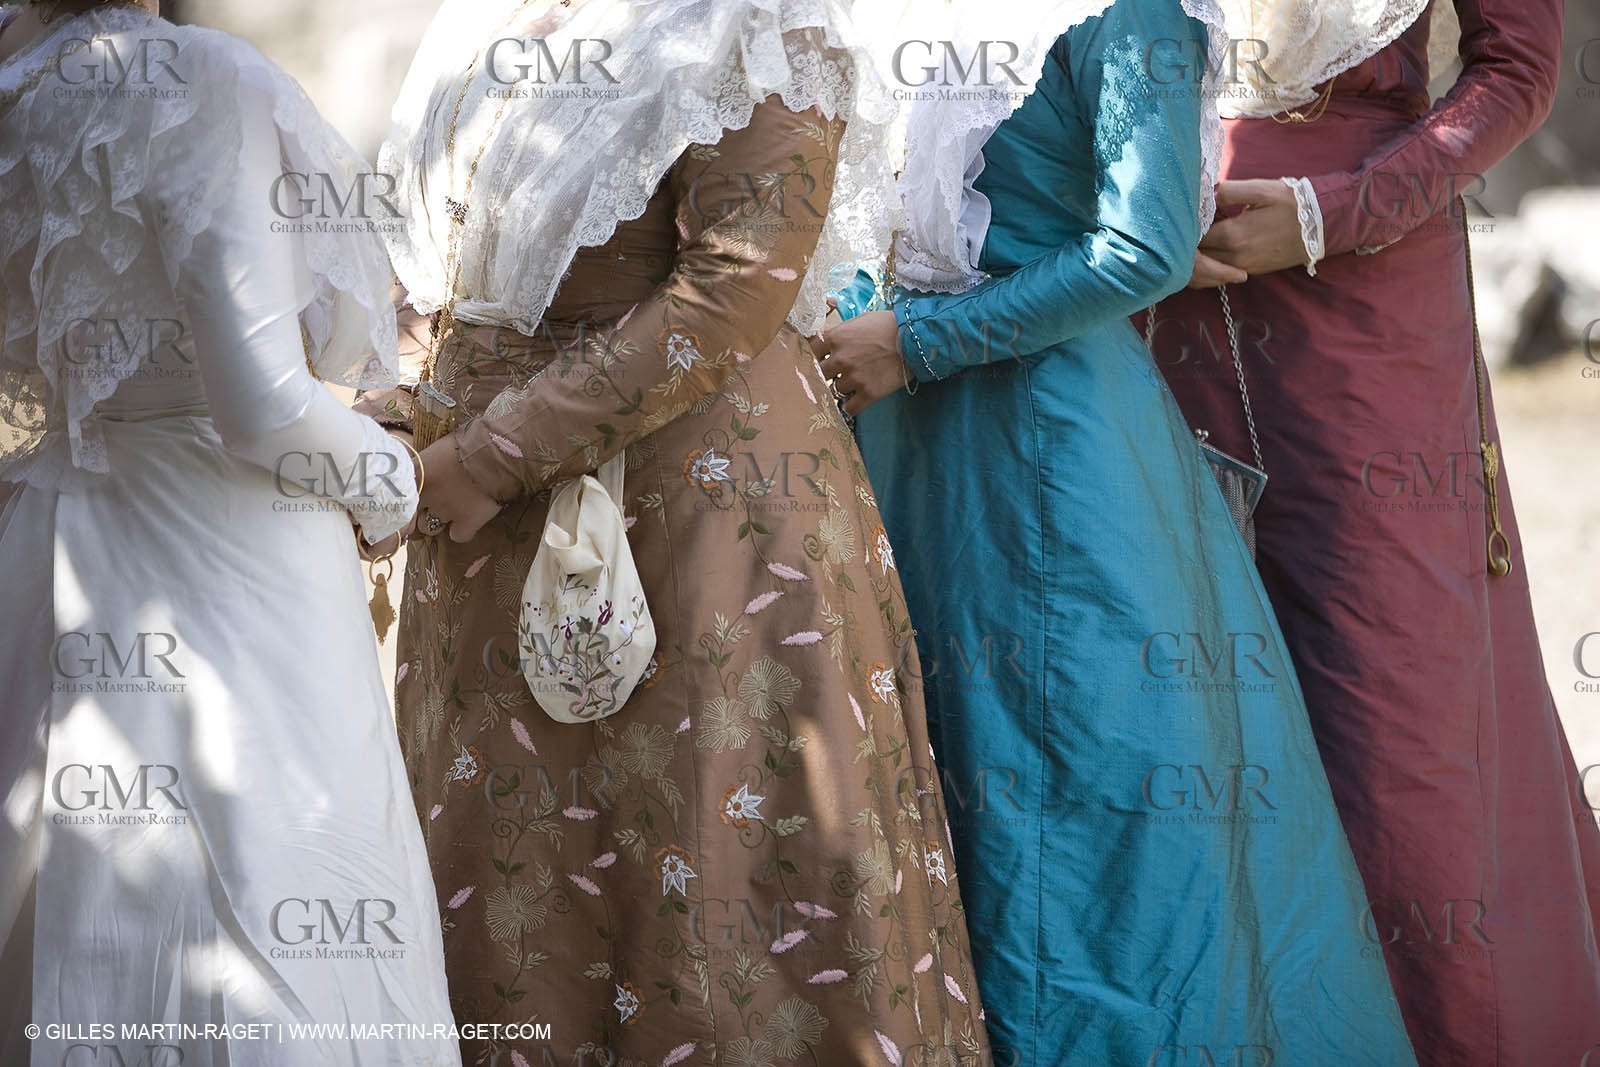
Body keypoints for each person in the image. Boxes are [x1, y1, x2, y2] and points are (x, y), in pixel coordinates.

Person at [371, 1, 987, 1063]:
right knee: (518, 862)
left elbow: (734, 287)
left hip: (691, 506)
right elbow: (453, 286)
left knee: (702, 848)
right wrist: (399, 413)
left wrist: (484, 457)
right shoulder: (487, 21)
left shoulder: (749, 22)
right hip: (476, 515)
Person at [815, 1, 1419, 1064]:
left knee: (1082, 801)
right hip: (898, 440)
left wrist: (916, 341)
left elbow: (1141, 249)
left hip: (1047, 453)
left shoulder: (1132, 16)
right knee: (928, 787)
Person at [0, 2, 459, 1064]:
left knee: (77, 891)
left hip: (56, 545)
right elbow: (260, 405)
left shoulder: (18, 88)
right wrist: (392, 482)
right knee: (273, 894)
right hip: (231, 560)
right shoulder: (197, 80)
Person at [1150, 1, 1600, 1062]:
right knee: (1192, 676)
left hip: (1365, 288)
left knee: (1391, 673)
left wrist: (1330, 212)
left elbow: (1516, 72)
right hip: (1159, 280)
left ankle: (1454, 1027)